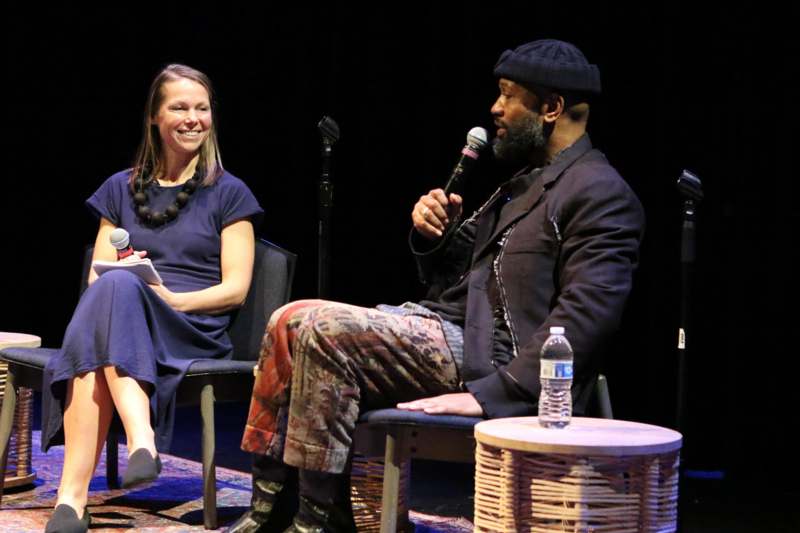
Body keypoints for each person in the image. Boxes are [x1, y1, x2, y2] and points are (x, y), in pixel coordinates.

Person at [230, 38, 645, 533]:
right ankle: (270, 508)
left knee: (322, 328)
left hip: (492, 356)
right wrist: (436, 238)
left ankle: (317, 521)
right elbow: (459, 282)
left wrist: (496, 392)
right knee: (287, 319)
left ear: (552, 108)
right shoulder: (522, 184)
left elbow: (585, 317)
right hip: (443, 326)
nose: (495, 108)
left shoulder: (600, 191)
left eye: (508, 95)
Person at [41, 64, 263, 533]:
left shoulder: (229, 193)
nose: (192, 118)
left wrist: (169, 299)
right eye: (179, 107)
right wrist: (137, 287)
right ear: (154, 119)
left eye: (201, 108)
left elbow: (236, 288)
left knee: (109, 308)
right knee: (115, 289)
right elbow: (97, 277)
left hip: (190, 324)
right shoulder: (120, 188)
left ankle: (79, 490)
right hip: (125, 316)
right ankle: (98, 479)